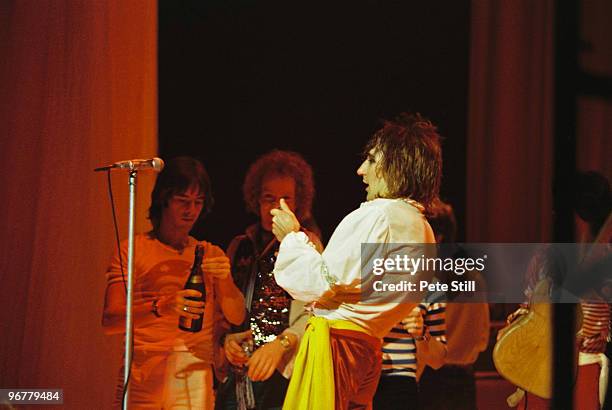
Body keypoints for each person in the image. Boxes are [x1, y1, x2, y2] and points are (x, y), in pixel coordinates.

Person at [271, 112, 443, 409]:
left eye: (373, 160)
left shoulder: (379, 215)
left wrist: (292, 236)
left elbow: (321, 282)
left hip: (338, 346)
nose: (361, 170)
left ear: (397, 165)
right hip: (367, 351)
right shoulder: (422, 228)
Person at [102, 157, 245, 409]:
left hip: (193, 370)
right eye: (182, 201)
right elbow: (111, 321)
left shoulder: (210, 253)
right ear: (164, 199)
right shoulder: (133, 250)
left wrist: (225, 280)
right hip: (143, 370)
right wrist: (161, 306)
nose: (191, 210)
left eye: (198, 202)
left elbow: (236, 316)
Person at [215, 150, 323, 410]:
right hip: (240, 373)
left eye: (286, 198)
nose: (277, 207)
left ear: (298, 203)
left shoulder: (307, 244)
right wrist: (225, 341)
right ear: (256, 200)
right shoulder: (239, 246)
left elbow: (319, 310)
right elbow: (221, 310)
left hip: (284, 372)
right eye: (269, 198)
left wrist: (281, 345)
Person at [418, 199, 490, 410]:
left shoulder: (423, 280)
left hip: (431, 378)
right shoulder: (476, 279)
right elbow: (483, 339)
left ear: (437, 237)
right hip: (465, 378)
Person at [373, 298, 447, 410]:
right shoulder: (355, 282)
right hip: (356, 377)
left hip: (399, 383)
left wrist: (422, 333)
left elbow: (437, 360)